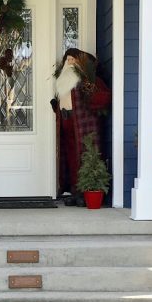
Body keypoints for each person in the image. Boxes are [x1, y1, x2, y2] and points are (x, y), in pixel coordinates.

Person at [52, 48, 111, 201]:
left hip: (82, 125)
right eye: (68, 60)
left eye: (73, 60)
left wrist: (91, 99)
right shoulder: (62, 81)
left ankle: (85, 192)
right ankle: (73, 189)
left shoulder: (87, 81)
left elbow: (102, 98)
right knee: (70, 157)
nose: (70, 63)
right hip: (66, 124)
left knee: (84, 156)